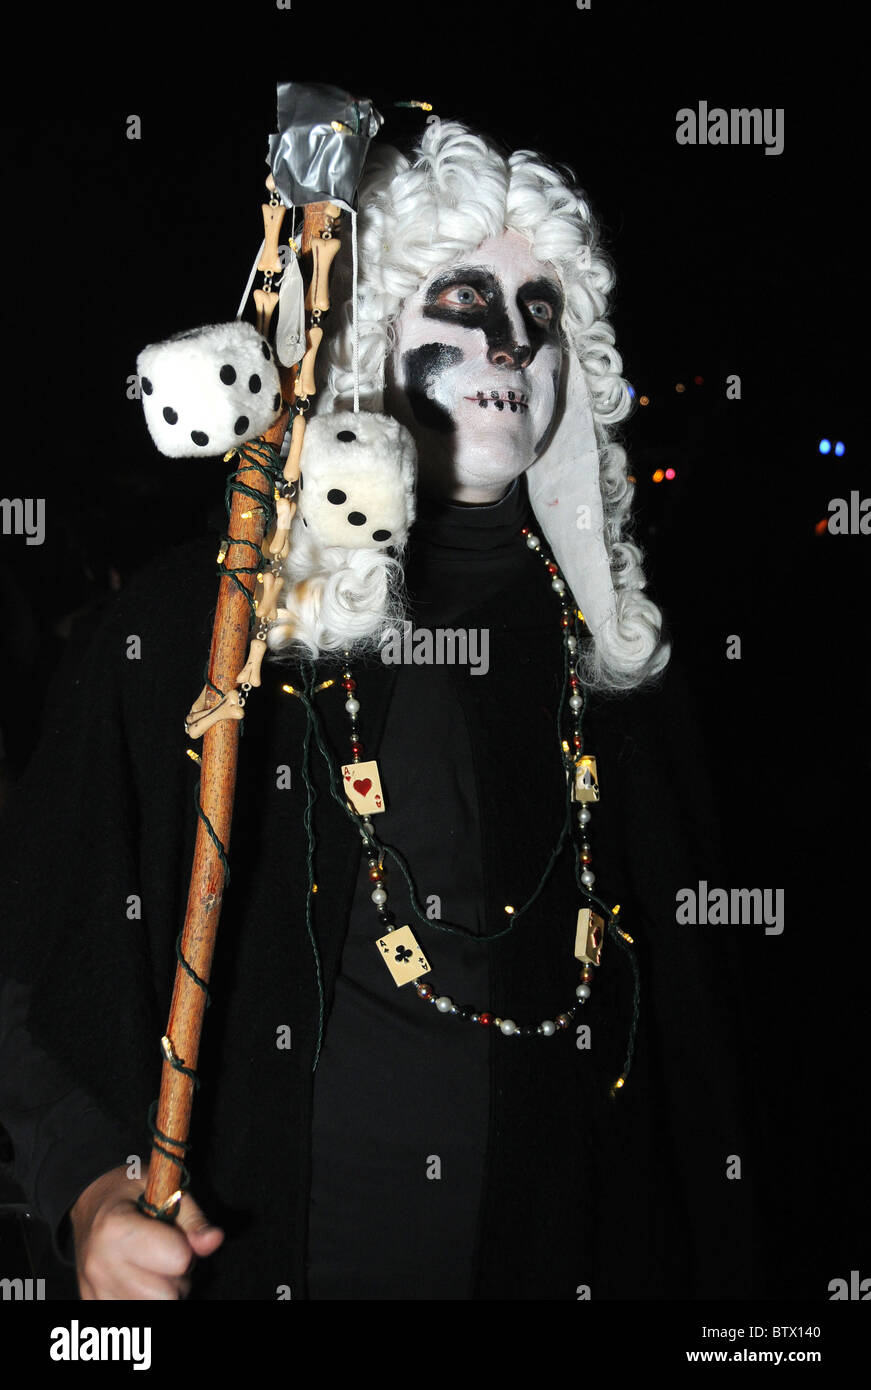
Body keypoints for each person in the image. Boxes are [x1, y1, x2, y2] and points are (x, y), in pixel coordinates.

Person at [0, 120, 755, 1300]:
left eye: (541, 314)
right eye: (463, 298)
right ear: (371, 331)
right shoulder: (203, 631)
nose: (510, 340)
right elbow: (37, 953)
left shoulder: (618, 676)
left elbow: (700, 1066)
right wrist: (91, 1187)